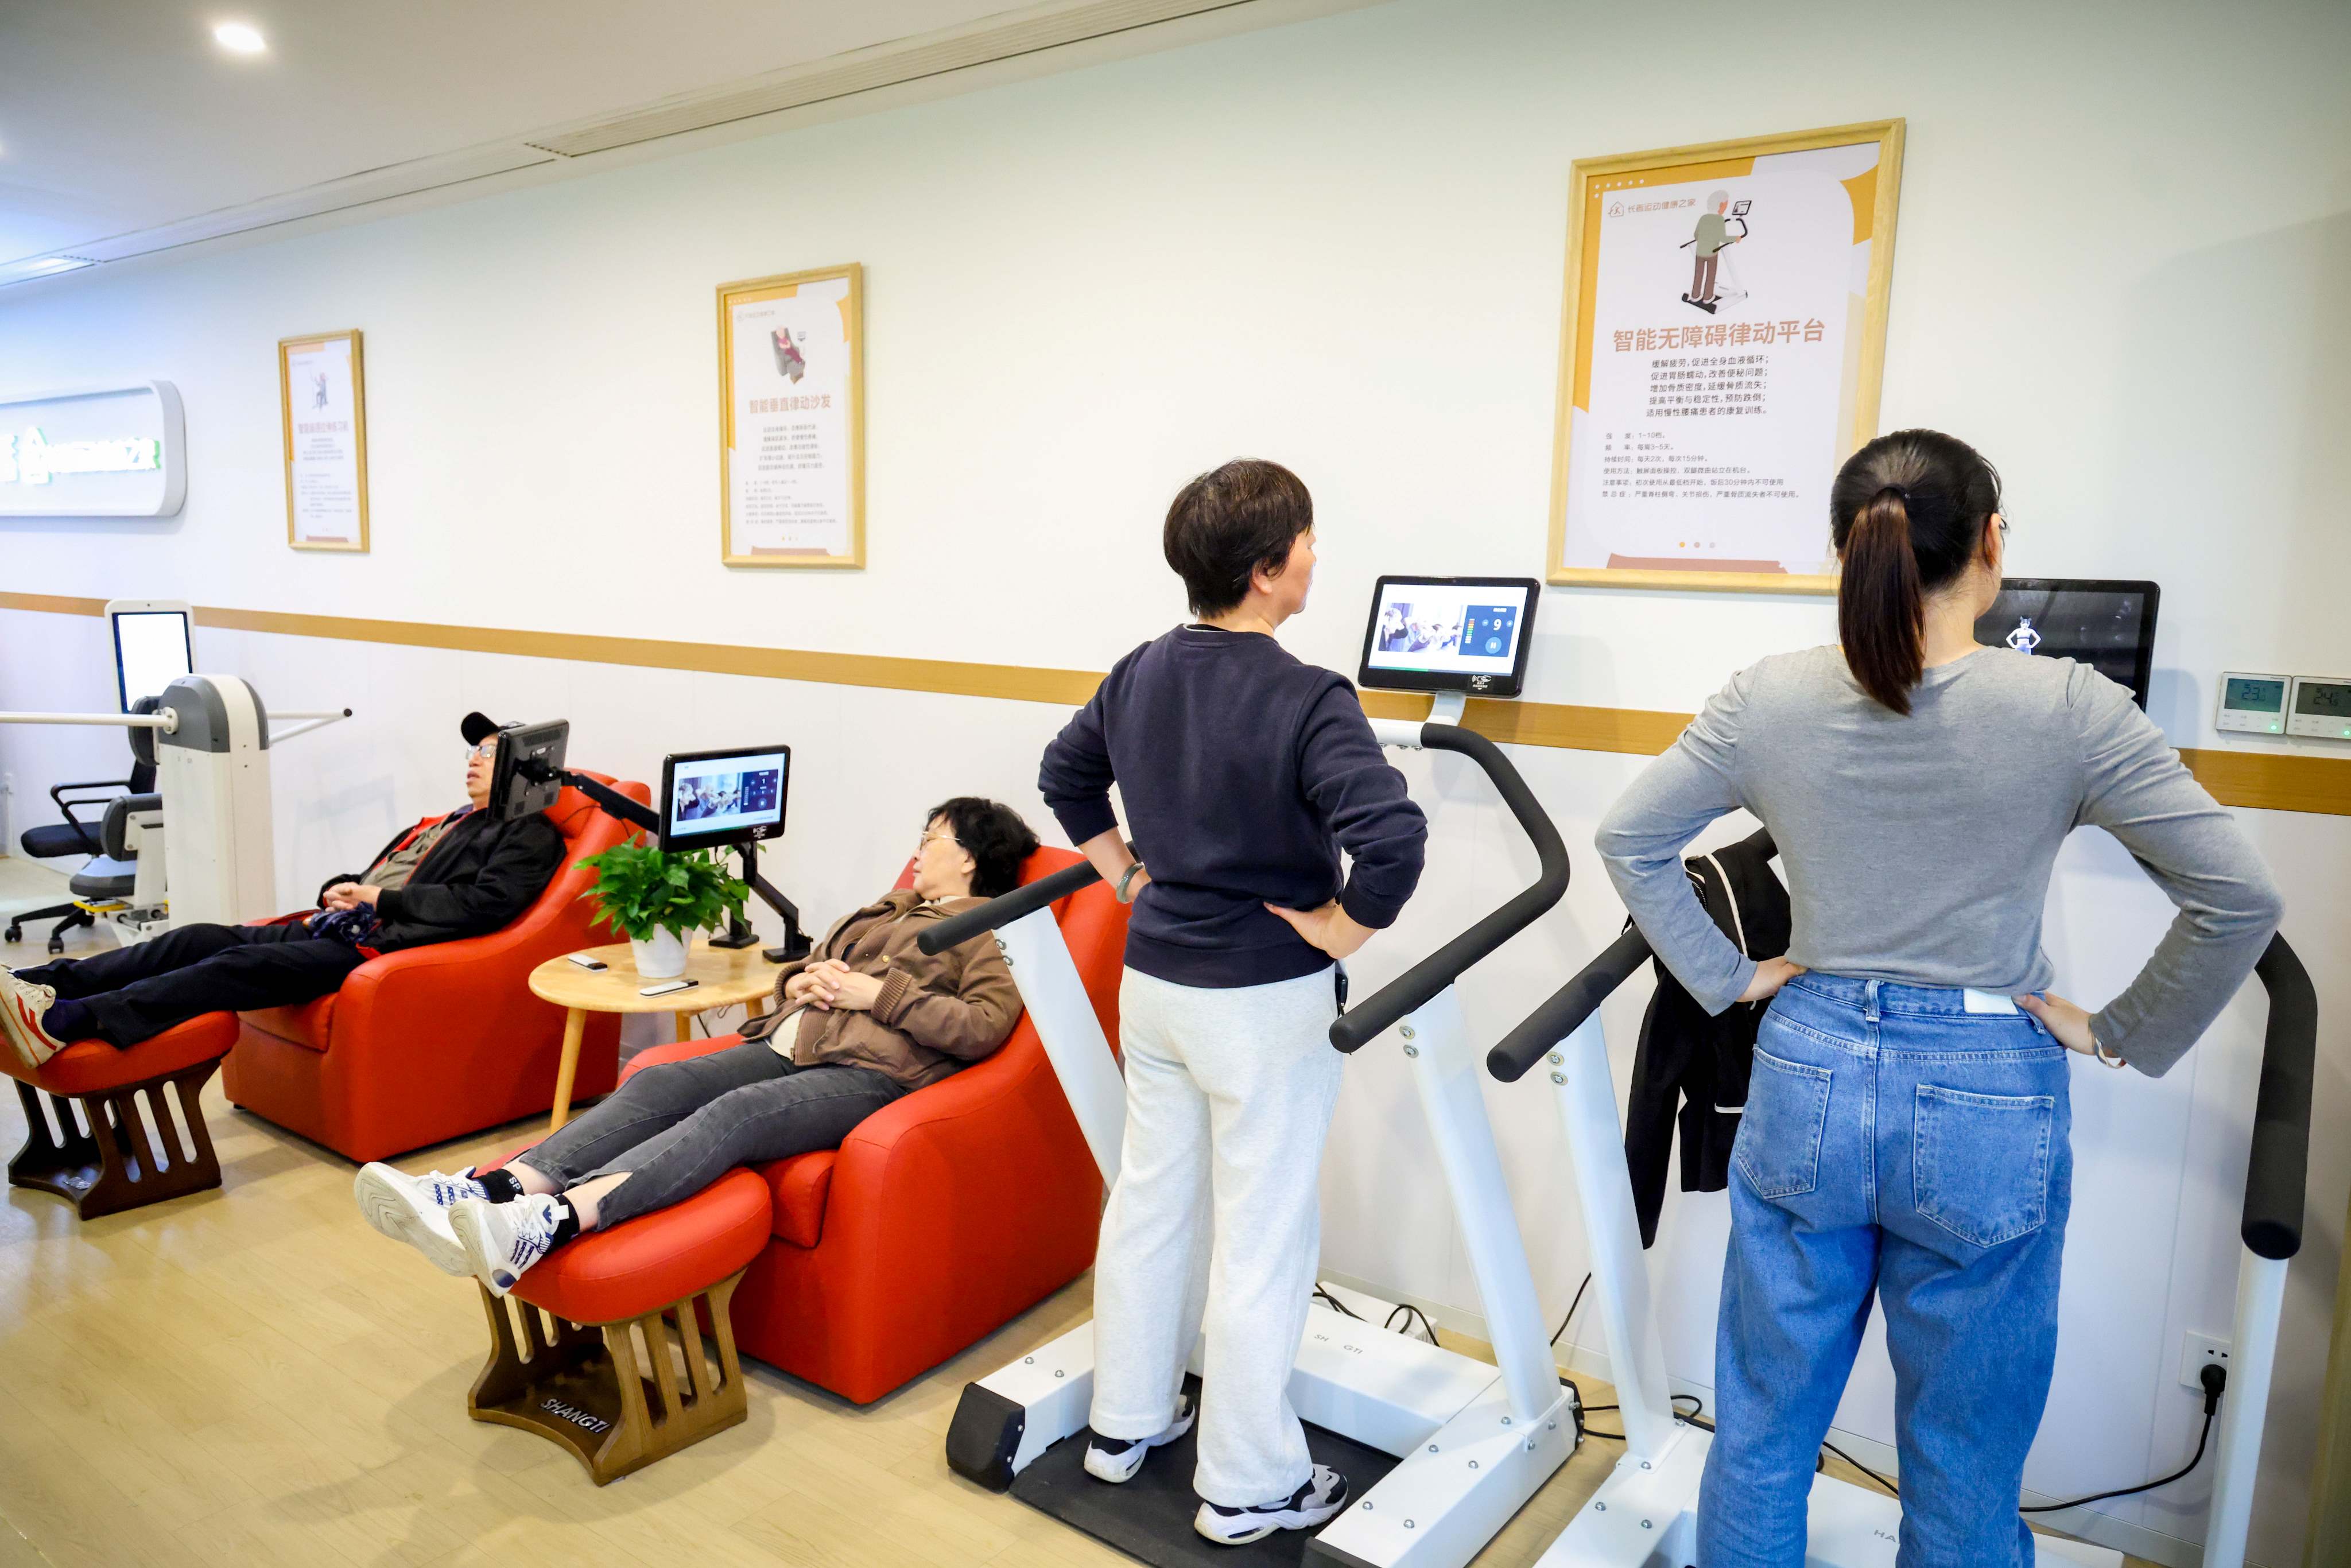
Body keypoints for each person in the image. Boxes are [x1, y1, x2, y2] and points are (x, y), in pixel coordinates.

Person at [1595, 429, 2283, 1566]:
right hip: (1984, 1087)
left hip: (1808, 1065)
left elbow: (1630, 837)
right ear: (1989, 543)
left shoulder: (1768, 697)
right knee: (1962, 1468)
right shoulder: (2066, 707)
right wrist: (2116, 1032)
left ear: (1844, 551)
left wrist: (1729, 978)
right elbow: (2236, 897)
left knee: (1760, 1437)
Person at [1037, 459, 1427, 1547]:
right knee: (1261, 1238)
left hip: (1156, 987)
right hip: (1260, 1004)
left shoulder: (1140, 670)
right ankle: (1251, 1484)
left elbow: (1065, 775)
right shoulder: (1308, 695)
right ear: (1266, 570)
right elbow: (1394, 840)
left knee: (1151, 1202)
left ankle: (1125, 1422)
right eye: (1305, 539)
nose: (1314, 554)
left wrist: (1125, 876)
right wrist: (1342, 931)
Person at [354, 797, 1036, 1296]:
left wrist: (877, 996)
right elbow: (807, 967)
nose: (918, 848)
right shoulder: (888, 907)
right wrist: (805, 979)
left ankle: (552, 1220)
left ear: (969, 857)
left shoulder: (990, 928)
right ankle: (491, 1189)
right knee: (657, 1083)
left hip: (870, 1073)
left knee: (735, 1113)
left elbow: (983, 1026)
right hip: (790, 1041)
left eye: (932, 837)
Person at [0, 712, 566, 1067]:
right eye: (472, 750)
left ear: (521, 767)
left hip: (378, 946)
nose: (472, 760)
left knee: (234, 965)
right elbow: (379, 876)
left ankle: (67, 1021)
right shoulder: (448, 820)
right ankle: (37, 986)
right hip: (341, 924)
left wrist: (376, 900)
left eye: (488, 752)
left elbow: (485, 905)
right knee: (198, 937)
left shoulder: (526, 833)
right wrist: (341, 889)